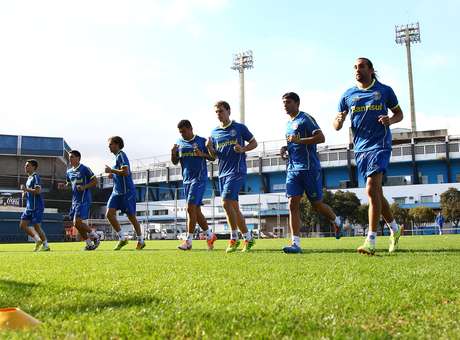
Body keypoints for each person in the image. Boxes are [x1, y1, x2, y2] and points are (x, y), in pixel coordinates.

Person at [334, 57, 404, 255]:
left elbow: (399, 114)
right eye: (355, 67)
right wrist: (339, 121)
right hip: (360, 149)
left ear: (371, 70)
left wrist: (390, 120)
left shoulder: (384, 90)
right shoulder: (348, 94)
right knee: (376, 193)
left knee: (371, 189)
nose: (358, 70)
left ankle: (370, 241)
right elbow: (336, 124)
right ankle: (395, 229)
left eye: (362, 66)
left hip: (380, 144)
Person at [280, 92, 342, 254]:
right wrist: (286, 149)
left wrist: (300, 141)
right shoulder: (288, 123)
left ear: (297, 103)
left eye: (288, 102)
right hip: (293, 169)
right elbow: (294, 143)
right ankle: (296, 244)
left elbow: (321, 138)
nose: (285, 105)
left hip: (309, 168)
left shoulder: (305, 118)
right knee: (292, 203)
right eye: (283, 103)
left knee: (316, 204)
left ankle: (336, 220)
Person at [206, 101, 258, 252]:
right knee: (233, 206)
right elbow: (214, 156)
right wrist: (209, 147)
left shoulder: (239, 128)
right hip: (222, 173)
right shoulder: (214, 133)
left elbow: (254, 142)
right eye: (216, 112)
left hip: (237, 171)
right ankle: (248, 239)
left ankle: (233, 238)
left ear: (229, 111)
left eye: (221, 111)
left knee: (225, 202)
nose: (218, 114)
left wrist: (243, 149)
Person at [171, 119, 217, 251]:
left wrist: (202, 153)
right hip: (186, 180)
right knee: (195, 210)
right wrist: (173, 153)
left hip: (199, 179)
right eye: (180, 132)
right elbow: (175, 162)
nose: (182, 134)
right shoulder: (179, 143)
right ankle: (210, 235)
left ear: (191, 129)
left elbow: (213, 157)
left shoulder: (201, 141)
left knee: (190, 208)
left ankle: (188, 241)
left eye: (184, 131)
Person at [105, 136, 145, 250]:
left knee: (131, 216)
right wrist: (112, 174)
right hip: (117, 191)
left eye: (111, 144)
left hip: (127, 191)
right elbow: (120, 172)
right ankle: (122, 238)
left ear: (117, 144)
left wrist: (111, 170)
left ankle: (141, 240)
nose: (109, 147)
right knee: (109, 214)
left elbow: (125, 172)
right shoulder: (117, 157)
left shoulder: (122, 155)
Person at [58, 150, 101, 250]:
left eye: (72, 157)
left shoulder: (85, 169)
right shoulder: (69, 171)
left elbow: (95, 181)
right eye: (69, 157)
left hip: (84, 199)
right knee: (76, 224)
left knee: (77, 222)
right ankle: (89, 244)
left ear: (78, 158)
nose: (70, 159)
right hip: (74, 201)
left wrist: (84, 187)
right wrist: (64, 186)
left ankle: (95, 236)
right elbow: (69, 184)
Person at [19, 159, 50, 251]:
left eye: (28, 165)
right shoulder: (29, 178)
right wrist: (24, 192)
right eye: (25, 165)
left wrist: (26, 189)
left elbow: (38, 191)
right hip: (29, 207)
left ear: (34, 167)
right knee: (22, 225)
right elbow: (29, 192)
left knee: (37, 226)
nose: (26, 167)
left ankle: (46, 245)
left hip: (37, 206)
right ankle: (37, 240)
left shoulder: (36, 177)